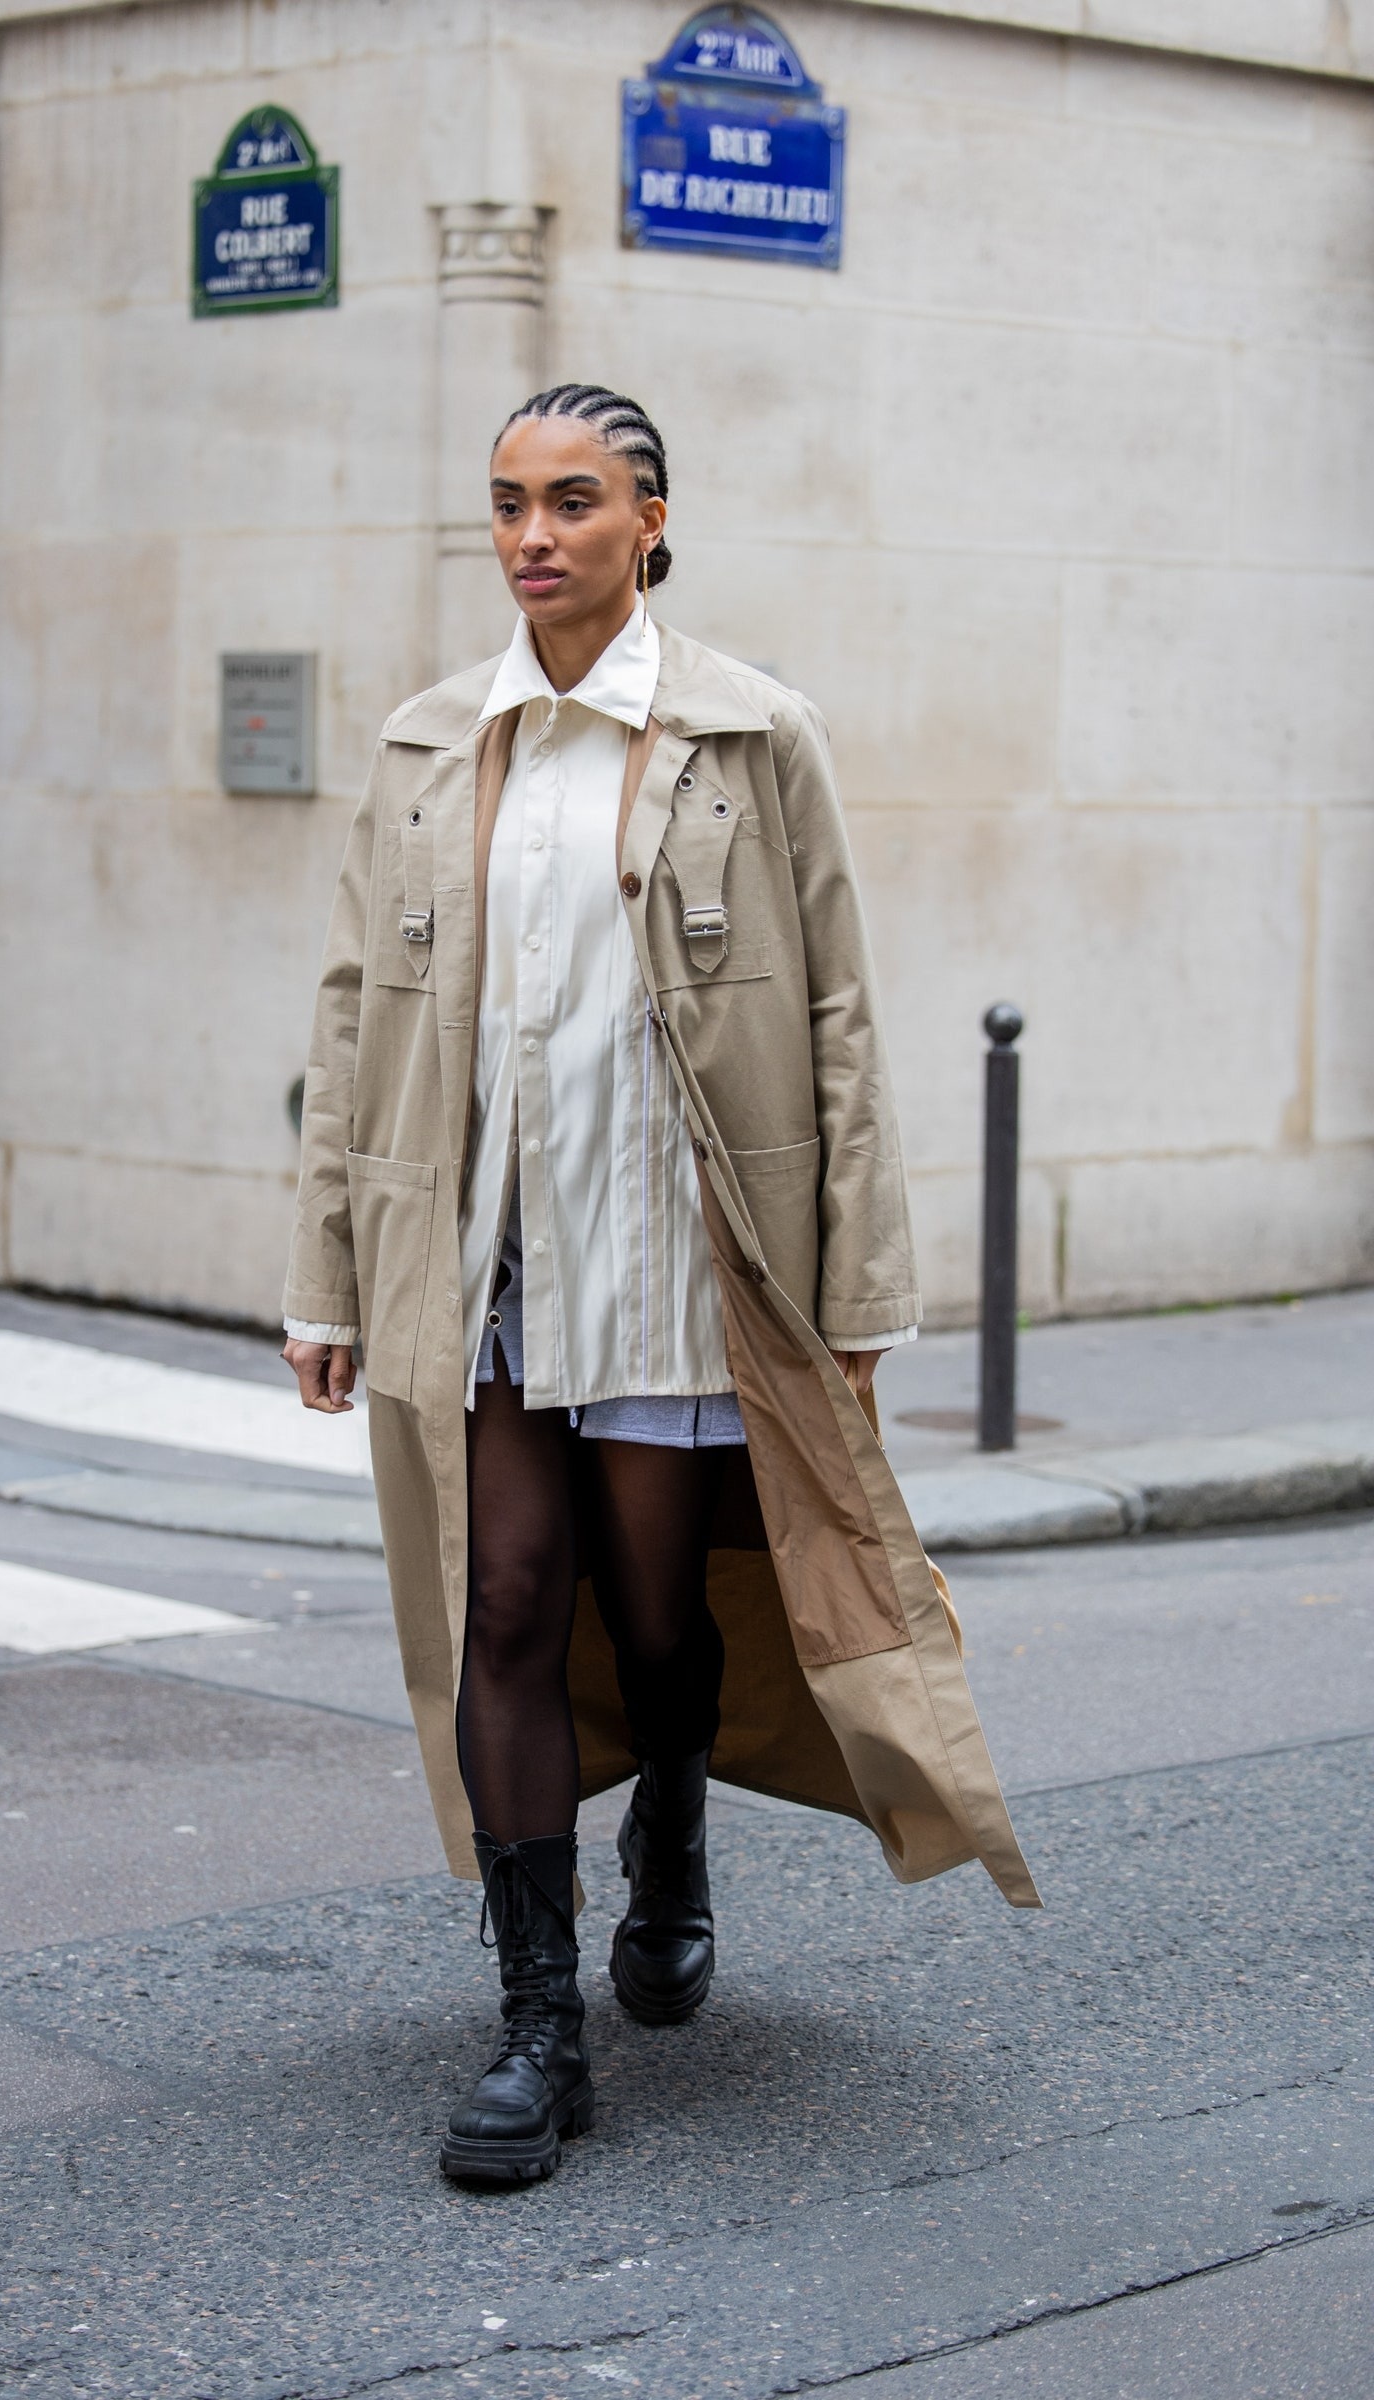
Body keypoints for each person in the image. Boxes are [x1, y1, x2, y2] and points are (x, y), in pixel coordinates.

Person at [282, 383, 1038, 2188]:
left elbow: (839, 1010)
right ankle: (541, 2021)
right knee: (511, 1598)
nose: (534, 534)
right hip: (481, 1255)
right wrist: (323, 1279)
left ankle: (673, 1829)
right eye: (507, 504)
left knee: (661, 1602)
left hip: (676, 1250)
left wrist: (859, 1292)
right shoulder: (424, 744)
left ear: (649, 520)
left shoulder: (752, 733)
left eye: (573, 500)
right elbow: (348, 1022)